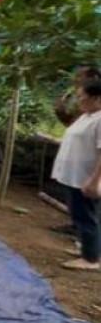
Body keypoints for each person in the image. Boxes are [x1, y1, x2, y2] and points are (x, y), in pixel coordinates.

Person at [51, 79, 101, 271]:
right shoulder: (87, 116)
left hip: (85, 177)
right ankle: (88, 249)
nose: (79, 100)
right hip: (74, 175)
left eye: (82, 97)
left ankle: (90, 259)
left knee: (86, 217)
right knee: (80, 214)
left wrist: (94, 181)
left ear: (96, 98)